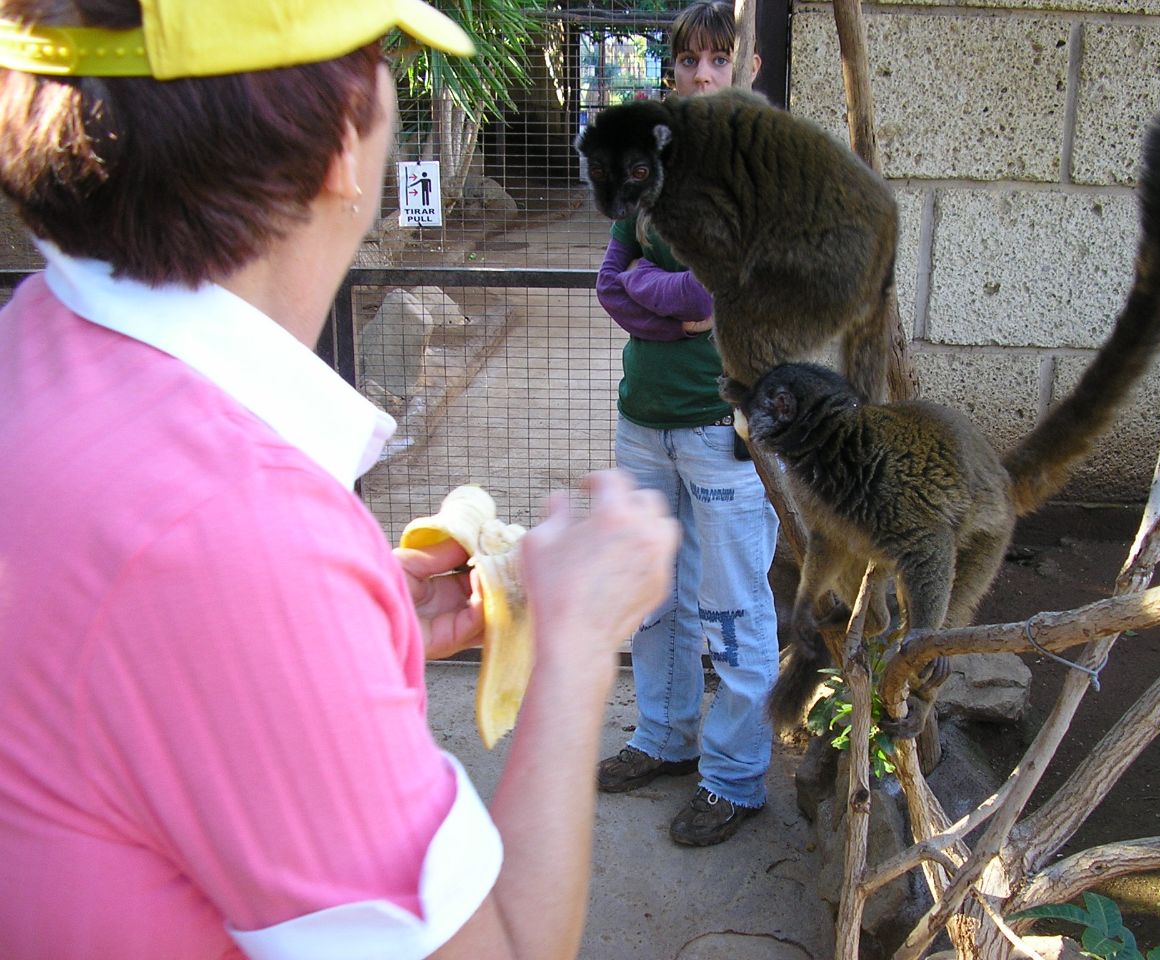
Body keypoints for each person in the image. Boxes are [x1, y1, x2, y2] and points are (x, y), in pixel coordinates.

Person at [0, 2, 678, 958]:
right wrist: (575, 644)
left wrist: (356, 626)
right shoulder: (237, 536)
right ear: (340, 149)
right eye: (376, 53)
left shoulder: (36, 347)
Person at [593, 0, 778, 848]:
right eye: (689, 60)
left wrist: (656, 299)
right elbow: (609, 281)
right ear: (671, 69)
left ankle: (735, 780)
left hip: (721, 425)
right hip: (645, 418)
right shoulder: (648, 162)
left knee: (734, 609)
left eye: (718, 58)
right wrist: (667, 311)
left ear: (747, 69)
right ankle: (664, 739)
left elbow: (711, 293)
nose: (702, 74)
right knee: (653, 595)